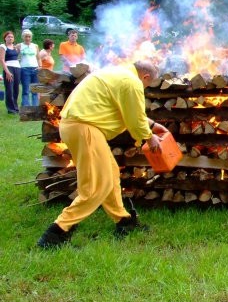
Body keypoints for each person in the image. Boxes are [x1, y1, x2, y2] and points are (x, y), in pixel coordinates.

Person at [36, 60, 169, 248]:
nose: (146, 87)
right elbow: (135, 119)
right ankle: (57, 231)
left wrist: (154, 126)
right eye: (148, 84)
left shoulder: (118, 73)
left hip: (76, 126)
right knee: (96, 186)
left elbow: (129, 111)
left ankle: (123, 221)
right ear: (145, 76)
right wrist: (150, 137)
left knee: (111, 173)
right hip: (85, 128)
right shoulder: (131, 82)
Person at [0, 31, 21, 114]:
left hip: (17, 68)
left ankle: (15, 107)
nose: (10, 38)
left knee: (16, 89)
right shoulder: (3, 46)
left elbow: (17, 57)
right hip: (9, 67)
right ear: (5, 38)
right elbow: (2, 59)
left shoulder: (15, 47)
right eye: (8, 37)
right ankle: (10, 109)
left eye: (12, 37)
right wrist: (7, 72)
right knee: (9, 89)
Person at [18, 29, 39, 106]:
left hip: (35, 68)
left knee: (35, 89)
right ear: (23, 37)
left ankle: (35, 106)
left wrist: (39, 66)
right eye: (26, 36)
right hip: (24, 69)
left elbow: (38, 57)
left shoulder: (35, 46)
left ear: (31, 37)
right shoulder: (19, 45)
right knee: (26, 90)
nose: (27, 38)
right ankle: (26, 107)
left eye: (29, 36)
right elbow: (15, 56)